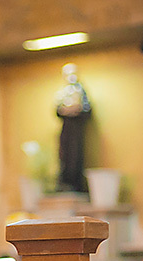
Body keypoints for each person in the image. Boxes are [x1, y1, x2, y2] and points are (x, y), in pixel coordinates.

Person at [55, 62, 91, 194]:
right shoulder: (63, 92)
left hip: (77, 128)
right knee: (64, 155)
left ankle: (76, 184)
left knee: (76, 156)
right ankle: (65, 183)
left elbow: (87, 109)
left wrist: (77, 110)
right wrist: (65, 111)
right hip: (66, 127)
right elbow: (57, 109)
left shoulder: (80, 90)